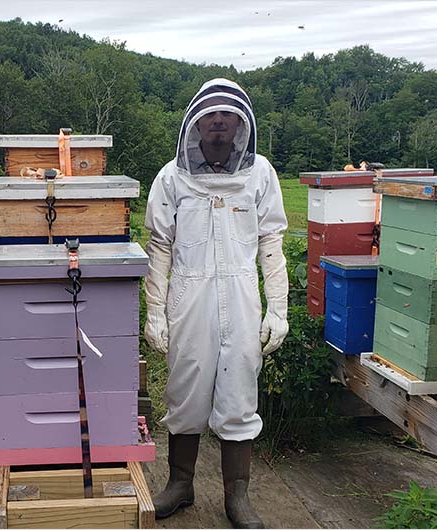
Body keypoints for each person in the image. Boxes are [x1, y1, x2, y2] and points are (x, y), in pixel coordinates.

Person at [142, 78, 289, 528]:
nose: (219, 121)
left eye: (228, 115)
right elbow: (159, 247)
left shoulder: (260, 174)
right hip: (189, 298)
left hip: (242, 299)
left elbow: (271, 242)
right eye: (211, 114)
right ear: (197, 123)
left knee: (239, 393)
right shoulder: (172, 177)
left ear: (241, 125)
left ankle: (237, 497)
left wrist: (278, 309)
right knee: (184, 390)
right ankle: (180, 484)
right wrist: (154, 311)